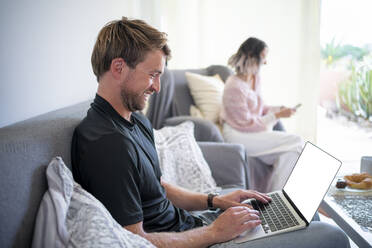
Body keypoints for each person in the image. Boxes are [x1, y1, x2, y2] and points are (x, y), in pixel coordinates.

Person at [71, 17, 349, 248]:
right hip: (201, 240)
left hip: (197, 227)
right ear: (118, 67)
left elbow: (159, 187)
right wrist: (215, 232)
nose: (156, 87)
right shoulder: (106, 142)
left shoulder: (135, 121)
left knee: (304, 218)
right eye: (152, 74)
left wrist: (215, 200)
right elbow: (133, 240)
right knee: (333, 236)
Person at [220, 37, 304, 193]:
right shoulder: (234, 86)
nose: (265, 62)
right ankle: (276, 198)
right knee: (296, 141)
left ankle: (276, 199)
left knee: (291, 152)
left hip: (253, 130)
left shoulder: (254, 78)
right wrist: (277, 115)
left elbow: (259, 108)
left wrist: (278, 109)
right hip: (238, 133)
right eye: (263, 57)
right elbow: (246, 123)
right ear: (252, 56)